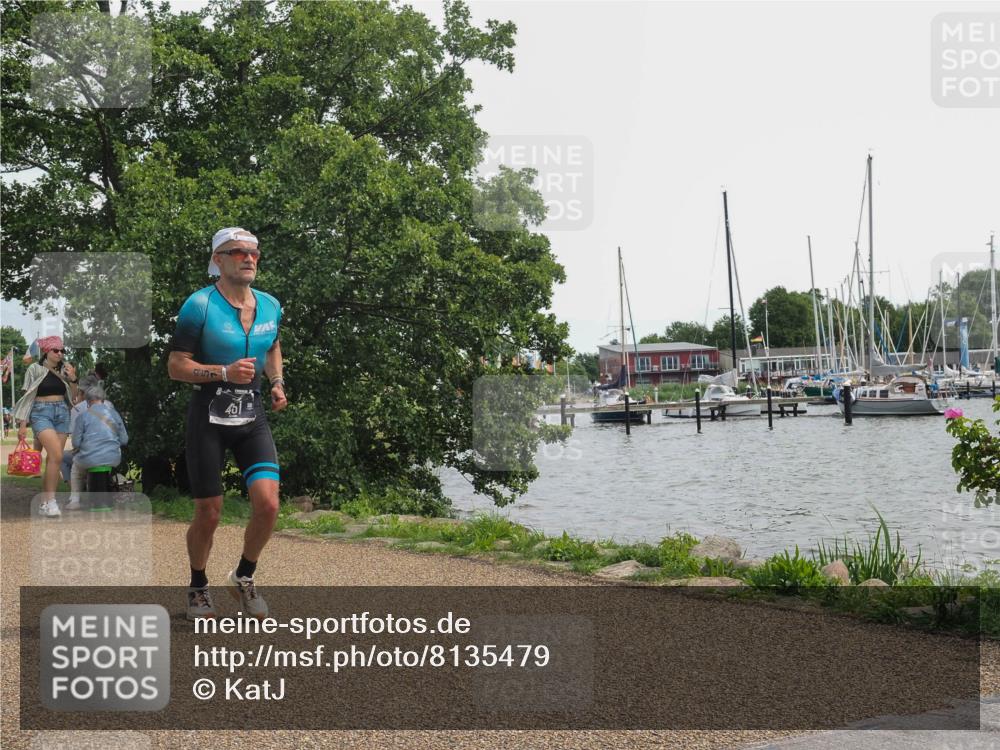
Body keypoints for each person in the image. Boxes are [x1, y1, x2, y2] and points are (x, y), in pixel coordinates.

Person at [167, 227, 287, 621]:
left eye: (254, 252)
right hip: (209, 417)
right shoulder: (199, 306)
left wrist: (276, 382)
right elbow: (176, 366)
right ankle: (198, 586)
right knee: (210, 512)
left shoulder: (270, 305)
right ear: (218, 259)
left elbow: (272, 345)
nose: (248, 258)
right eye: (237, 252)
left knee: (268, 504)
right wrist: (223, 372)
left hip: (251, 415)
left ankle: (244, 576)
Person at [12, 337, 78, 517]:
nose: (60, 354)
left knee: (53, 460)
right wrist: (23, 425)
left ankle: (45, 502)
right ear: (46, 352)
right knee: (57, 455)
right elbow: (27, 397)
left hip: (62, 413)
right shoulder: (34, 368)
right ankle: (51, 501)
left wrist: (73, 379)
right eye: (56, 350)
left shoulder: (65, 370)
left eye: (62, 351)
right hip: (41, 412)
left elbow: (74, 398)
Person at [61, 373, 116, 510]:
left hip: (89, 453)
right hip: (111, 452)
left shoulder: (78, 409)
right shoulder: (109, 405)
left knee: (69, 462)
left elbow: (76, 441)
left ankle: (75, 498)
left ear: (83, 392)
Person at [70, 377, 128, 498]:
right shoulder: (114, 414)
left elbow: (75, 443)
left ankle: (74, 500)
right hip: (113, 458)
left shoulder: (82, 416)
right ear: (103, 399)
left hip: (88, 458)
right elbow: (124, 440)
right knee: (104, 465)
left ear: (87, 401)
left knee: (76, 468)